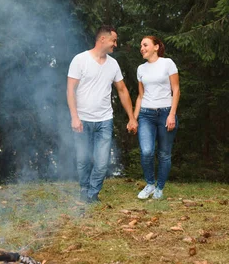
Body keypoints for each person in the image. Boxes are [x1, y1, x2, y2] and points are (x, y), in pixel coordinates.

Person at [67, 25, 138, 203]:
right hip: (82, 119)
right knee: (83, 159)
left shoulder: (113, 64)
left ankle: (93, 193)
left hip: (105, 120)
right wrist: (74, 117)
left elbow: (122, 90)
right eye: (114, 40)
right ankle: (84, 190)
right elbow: (70, 90)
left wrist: (131, 117)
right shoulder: (80, 60)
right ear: (103, 40)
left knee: (101, 162)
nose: (116, 44)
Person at [134, 36, 180, 200]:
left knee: (164, 154)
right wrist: (134, 118)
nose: (142, 48)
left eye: (145, 44)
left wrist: (172, 114)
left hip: (166, 113)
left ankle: (160, 188)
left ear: (156, 47)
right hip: (146, 114)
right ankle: (150, 184)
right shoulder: (140, 69)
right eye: (141, 46)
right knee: (146, 151)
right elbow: (140, 96)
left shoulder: (168, 63)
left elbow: (176, 89)